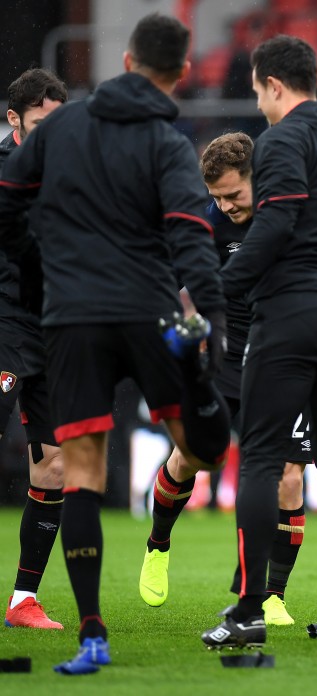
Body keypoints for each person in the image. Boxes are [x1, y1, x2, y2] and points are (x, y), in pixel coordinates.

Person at [0, 13, 230, 675]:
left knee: (82, 476)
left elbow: (8, 204)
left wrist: (47, 254)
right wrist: (209, 319)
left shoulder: (62, 128)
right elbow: (190, 234)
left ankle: (92, 635)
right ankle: (199, 410)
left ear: (126, 61)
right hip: (146, 310)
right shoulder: (166, 141)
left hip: (70, 320)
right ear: (181, 72)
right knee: (204, 448)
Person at [200, 34, 317, 652]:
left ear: (275, 85)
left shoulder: (282, 140)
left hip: (293, 313)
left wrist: (217, 291)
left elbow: (275, 224)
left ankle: (249, 610)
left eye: (257, 93)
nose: (259, 106)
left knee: (258, 458)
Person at [137, 132, 314, 627]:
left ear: (259, 179)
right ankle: (158, 543)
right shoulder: (207, 224)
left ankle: (271, 595)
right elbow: (164, 285)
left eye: (234, 194)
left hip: (286, 359)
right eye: (216, 196)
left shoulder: (293, 211)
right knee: (190, 456)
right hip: (225, 360)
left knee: (288, 476)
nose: (225, 205)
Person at [1, 67, 67, 631]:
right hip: (2, 325)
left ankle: (23, 600)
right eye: (41, 125)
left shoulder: (72, 172)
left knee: (54, 463)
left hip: (51, 331)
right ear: (14, 119)